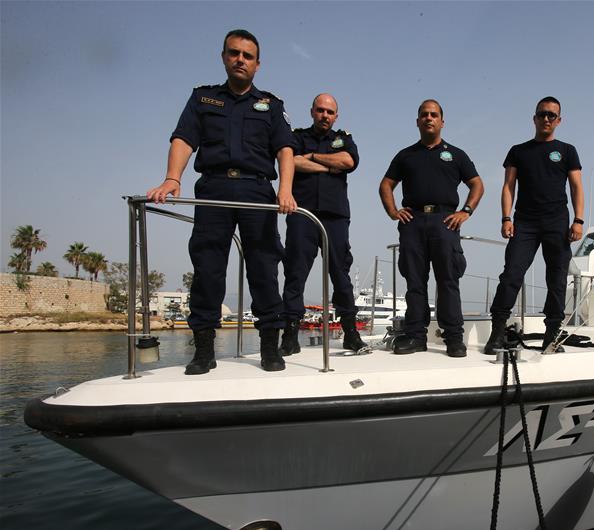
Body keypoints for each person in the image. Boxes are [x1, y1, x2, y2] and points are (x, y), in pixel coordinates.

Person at [147, 29, 296, 374]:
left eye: (247, 55)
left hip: (257, 191)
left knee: (263, 268)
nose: (240, 60)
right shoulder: (203, 99)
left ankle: (270, 349)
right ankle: (203, 351)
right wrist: (172, 178)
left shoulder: (272, 106)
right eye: (234, 53)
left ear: (258, 64)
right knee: (208, 269)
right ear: (224, 57)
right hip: (213, 188)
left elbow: (284, 149)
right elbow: (184, 138)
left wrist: (285, 189)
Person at [379, 99, 484, 357]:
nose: (429, 118)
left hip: (444, 221)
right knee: (415, 281)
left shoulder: (456, 155)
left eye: (434, 114)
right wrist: (393, 212)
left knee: (448, 280)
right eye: (424, 114)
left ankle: (453, 338)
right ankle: (415, 336)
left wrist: (465, 211)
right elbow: (385, 185)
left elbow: (477, 185)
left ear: (442, 121)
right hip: (412, 222)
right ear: (417, 121)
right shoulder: (405, 155)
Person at [483, 96, 584, 354]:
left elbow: (576, 187)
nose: (547, 119)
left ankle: (552, 334)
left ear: (559, 120)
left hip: (557, 221)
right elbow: (508, 186)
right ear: (534, 118)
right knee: (511, 274)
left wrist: (578, 220)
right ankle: (497, 332)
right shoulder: (518, 151)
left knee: (557, 278)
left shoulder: (567, 150)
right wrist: (506, 218)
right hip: (524, 222)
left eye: (552, 115)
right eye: (542, 114)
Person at [281, 93, 366, 355]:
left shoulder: (344, 138)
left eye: (330, 112)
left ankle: (351, 334)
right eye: (320, 110)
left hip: (335, 217)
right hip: (302, 214)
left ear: (336, 115)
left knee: (340, 274)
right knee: (295, 273)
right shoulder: (296, 136)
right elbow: (290, 161)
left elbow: (348, 161)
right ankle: (290, 335)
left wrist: (314, 158)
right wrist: (330, 166)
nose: (325, 116)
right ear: (312, 112)